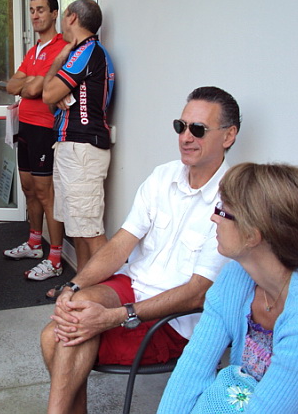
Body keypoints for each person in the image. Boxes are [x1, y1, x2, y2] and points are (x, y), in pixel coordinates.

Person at [40, 86, 240, 414]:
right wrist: (73, 286)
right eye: (181, 126)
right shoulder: (164, 175)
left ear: (229, 136)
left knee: (55, 337)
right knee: (75, 308)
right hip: (132, 286)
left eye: (198, 129)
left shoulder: (233, 198)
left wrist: (116, 317)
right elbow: (121, 242)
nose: (186, 137)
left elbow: (197, 293)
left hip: (174, 320)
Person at [158, 163, 298, 413]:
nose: (214, 217)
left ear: (252, 235)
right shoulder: (235, 277)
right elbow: (193, 369)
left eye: (223, 211)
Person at [42, 0, 115, 285]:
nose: (61, 21)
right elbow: (52, 100)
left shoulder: (86, 51)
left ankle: (110, 297)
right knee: (78, 228)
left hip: (82, 149)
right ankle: (80, 287)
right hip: (73, 146)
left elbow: (47, 94)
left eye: (63, 15)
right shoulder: (83, 52)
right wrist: (57, 90)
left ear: (72, 17)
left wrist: (59, 60)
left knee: (90, 231)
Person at [4, 0, 67, 283]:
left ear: (54, 13)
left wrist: (28, 83)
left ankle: (55, 258)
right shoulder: (34, 50)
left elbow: (32, 89)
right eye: (31, 10)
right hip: (25, 126)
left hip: (44, 127)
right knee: (28, 189)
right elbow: (12, 85)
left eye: (40, 10)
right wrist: (28, 82)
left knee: (45, 193)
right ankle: (33, 243)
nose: (35, 15)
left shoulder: (60, 47)